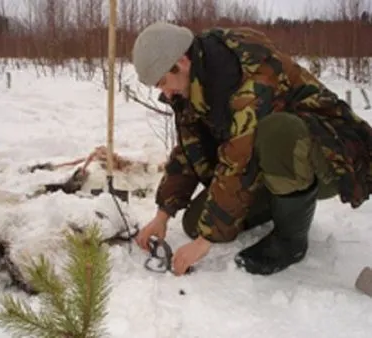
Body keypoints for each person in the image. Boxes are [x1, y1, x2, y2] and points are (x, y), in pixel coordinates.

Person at [131, 22, 372, 276]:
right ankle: (281, 202)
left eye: (164, 83)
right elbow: (189, 147)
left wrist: (206, 242)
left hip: (332, 155)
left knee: (278, 131)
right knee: (196, 223)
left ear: (182, 61)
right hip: (271, 161)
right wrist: (163, 214)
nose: (167, 94)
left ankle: (290, 242)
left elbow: (240, 159)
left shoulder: (248, 72)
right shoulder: (195, 81)